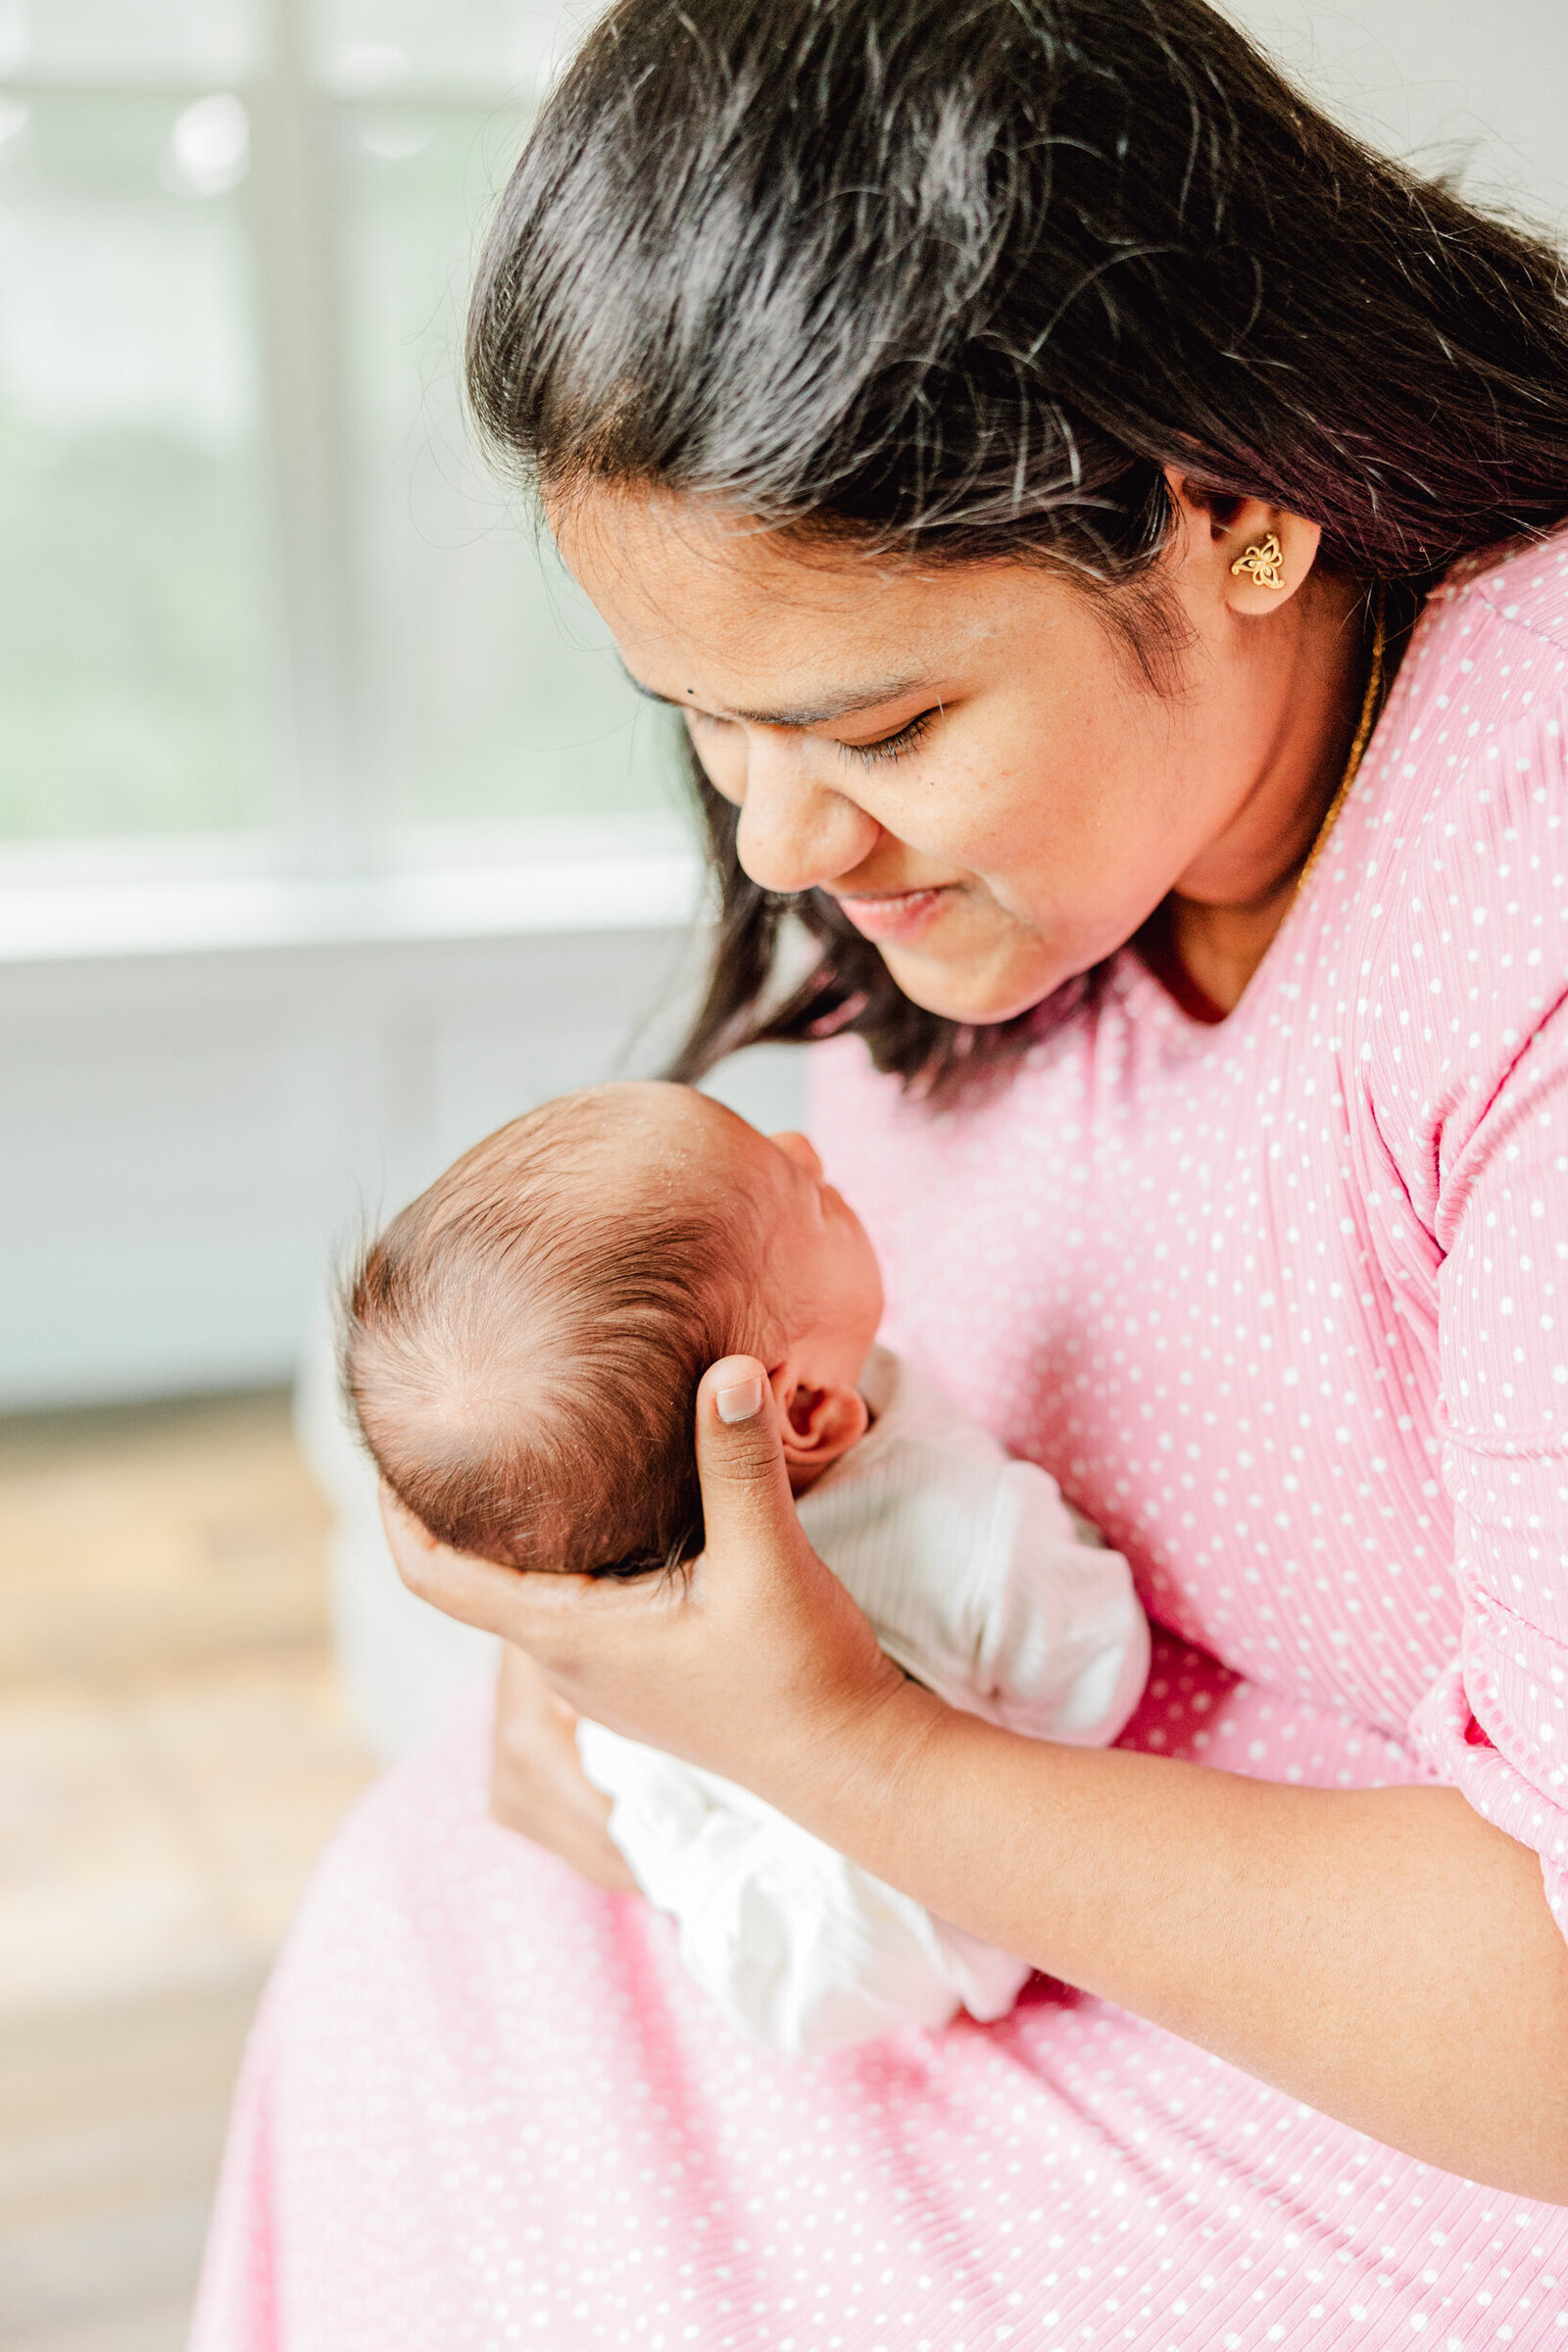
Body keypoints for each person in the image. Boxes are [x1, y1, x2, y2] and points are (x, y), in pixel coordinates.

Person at [192, 0, 1568, 2342]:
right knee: (424, 1930)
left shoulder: (1514, 883)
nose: (780, 840)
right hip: (986, 1888)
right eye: (704, 723)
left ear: (1228, 502)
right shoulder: (1003, 878)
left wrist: (825, 1745)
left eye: (881, 722)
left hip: (1420, 2073)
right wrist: (629, 1696)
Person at [337, 1080, 1148, 2052]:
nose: (805, 1146)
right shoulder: (966, 1529)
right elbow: (1097, 1672)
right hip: (875, 1922)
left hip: (676, 1828)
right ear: (802, 1413)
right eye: (800, 1195)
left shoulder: (608, 1572)